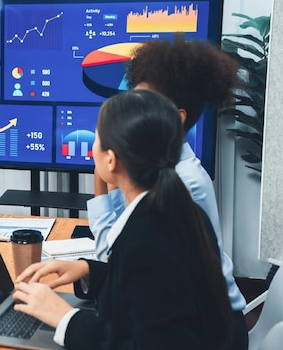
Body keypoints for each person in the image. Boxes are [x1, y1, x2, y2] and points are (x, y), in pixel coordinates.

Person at [13, 89, 234, 349]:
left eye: (96, 138)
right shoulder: (176, 207)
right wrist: (88, 271)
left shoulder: (144, 238)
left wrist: (66, 318)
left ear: (110, 159)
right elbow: (153, 292)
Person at [87, 36, 247, 348]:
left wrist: (102, 174)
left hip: (208, 331)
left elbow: (116, 249)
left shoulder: (183, 184)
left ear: (175, 116)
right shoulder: (155, 170)